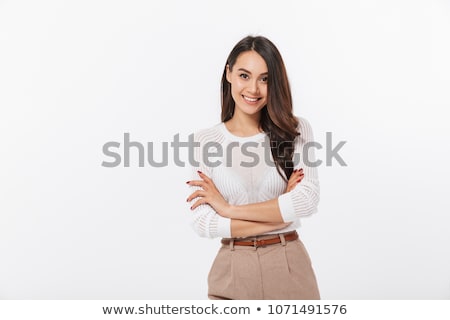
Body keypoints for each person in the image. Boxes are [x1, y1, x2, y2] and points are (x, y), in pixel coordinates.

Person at [186, 35, 320, 300]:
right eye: (244, 76)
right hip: (232, 270)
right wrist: (281, 213)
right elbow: (202, 221)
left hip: (289, 267)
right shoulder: (205, 141)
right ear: (229, 74)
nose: (254, 89)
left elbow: (306, 201)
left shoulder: (294, 130)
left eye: (265, 78)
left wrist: (228, 210)